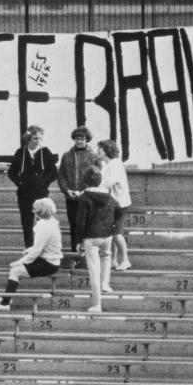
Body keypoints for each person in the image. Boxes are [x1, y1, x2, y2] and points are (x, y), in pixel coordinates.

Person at [0, 198, 63, 311]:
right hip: (51, 260)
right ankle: (7, 297)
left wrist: (20, 261)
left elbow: (36, 251)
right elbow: (44, 245)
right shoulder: (52, 222)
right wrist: (30, 249)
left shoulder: (43, 226)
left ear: (38, 213)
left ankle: (5, 304)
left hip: (48, 263)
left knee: (15, 271)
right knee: (16, 271)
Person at [73, 166, 118, 313]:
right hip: (107, 235)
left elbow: (80, 221)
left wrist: (78, 240)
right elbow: (117, 212)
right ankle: (105, 283)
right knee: (106, 258)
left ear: (85, 180)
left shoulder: (85, 197)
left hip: (91, 236)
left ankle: (97, 304)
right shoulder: (110, 197)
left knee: (94, 271)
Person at [7, 125, 58, 249]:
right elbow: (12, 172)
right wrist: (20, 182)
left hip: (41, 194)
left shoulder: (45, 152)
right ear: (28, 139)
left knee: (44, 223)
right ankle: (29, 249)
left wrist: (43, 182)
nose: (38, 142)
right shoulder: (21, 153)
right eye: (35, 139)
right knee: (27, 224)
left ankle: (43, 249)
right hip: (25, 194)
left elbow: (53, 173)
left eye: (40, 139)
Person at [56, 126, 100, 255]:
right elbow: (61, 175)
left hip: (87, 198)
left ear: (87, 140)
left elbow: (97, 177)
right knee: (74, 225)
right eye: (77, 138)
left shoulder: (94, 156)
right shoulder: (66, 156)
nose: (80, 141)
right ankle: (74, 253)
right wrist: (66, 190)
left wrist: (85, 190)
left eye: (83, 138)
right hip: (71, 197)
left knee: (87, 225)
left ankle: (88, 253)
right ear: (74, 139)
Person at [96, 139, 131, 271]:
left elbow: (108, 182)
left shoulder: (115, 164)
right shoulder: (108, 164)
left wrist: (94, 188)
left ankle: (126, 260)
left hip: (119, 204)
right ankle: (113, 260)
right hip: (113, 203)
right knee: (112, 232)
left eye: (99, 149)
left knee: (117, 233)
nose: (97, 152)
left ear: (106, 151)